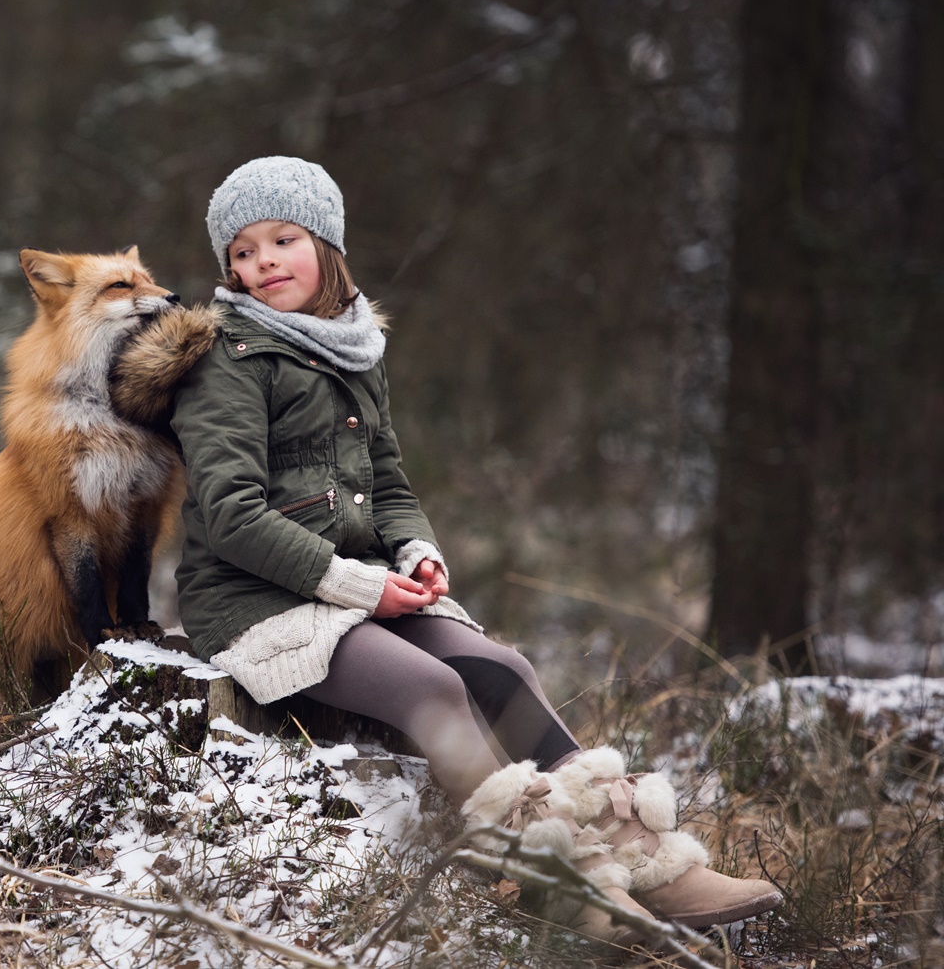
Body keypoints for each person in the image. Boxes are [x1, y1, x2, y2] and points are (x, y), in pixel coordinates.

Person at [169, 156, 781, 943]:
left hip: (358, 586)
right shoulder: (228, 358)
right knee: (432, 689)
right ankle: (556, 882)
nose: (262, 264)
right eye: (242, 252)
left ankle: (650, 862)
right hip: (257, 600)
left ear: (326, 243)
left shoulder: (352, 348)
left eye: (282, 239)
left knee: (506, 669)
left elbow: (386, 481)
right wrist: (357, 587)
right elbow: (228, 513)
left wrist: (415, 549)